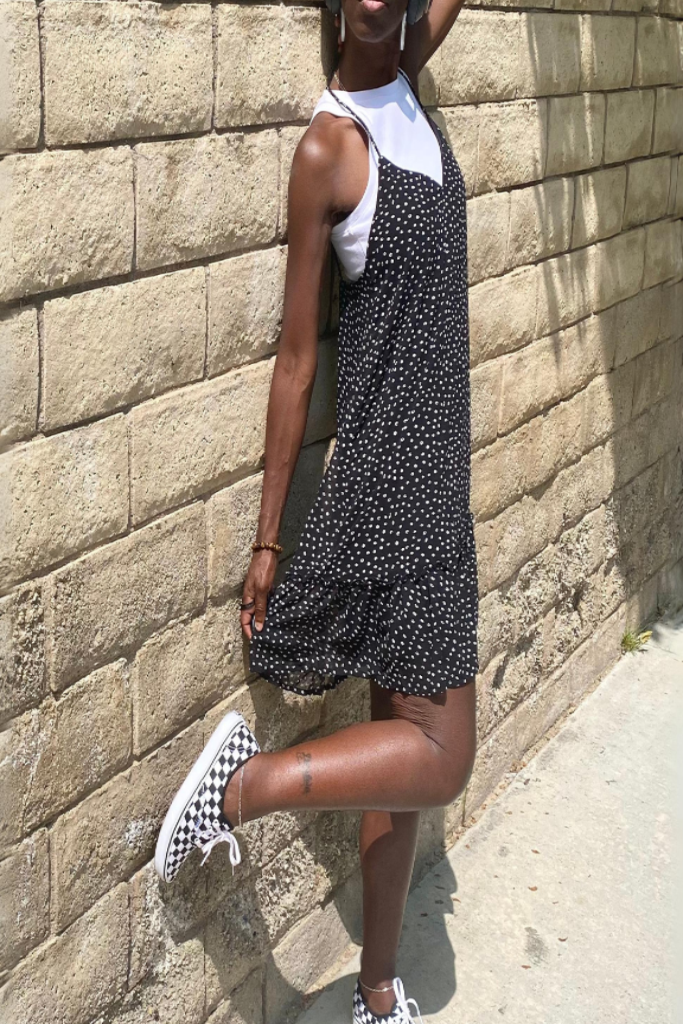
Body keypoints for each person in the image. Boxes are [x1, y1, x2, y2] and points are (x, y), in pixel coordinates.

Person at [156, 0, 477, 1019]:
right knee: (439, 752)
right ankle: (241, 787)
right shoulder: (328, 148)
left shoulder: (408, 79)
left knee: (398, 755)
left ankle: (376, 994)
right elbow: (296, 359)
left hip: (440, 479)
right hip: (390, 484)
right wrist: (265, 537)